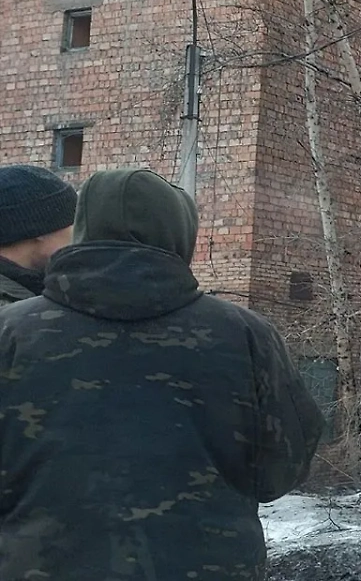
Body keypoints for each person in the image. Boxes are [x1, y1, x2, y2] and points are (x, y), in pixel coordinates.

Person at [0, 168, 325, 580]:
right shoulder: (244, 335)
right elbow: (282, 471)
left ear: (83, 230)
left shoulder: (10, 333)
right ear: (180, 234)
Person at [0, 165, 77, 306]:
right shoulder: (12, 311)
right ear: (41, 230)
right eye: (74, 223)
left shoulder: (26, 290)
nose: (77, 236)